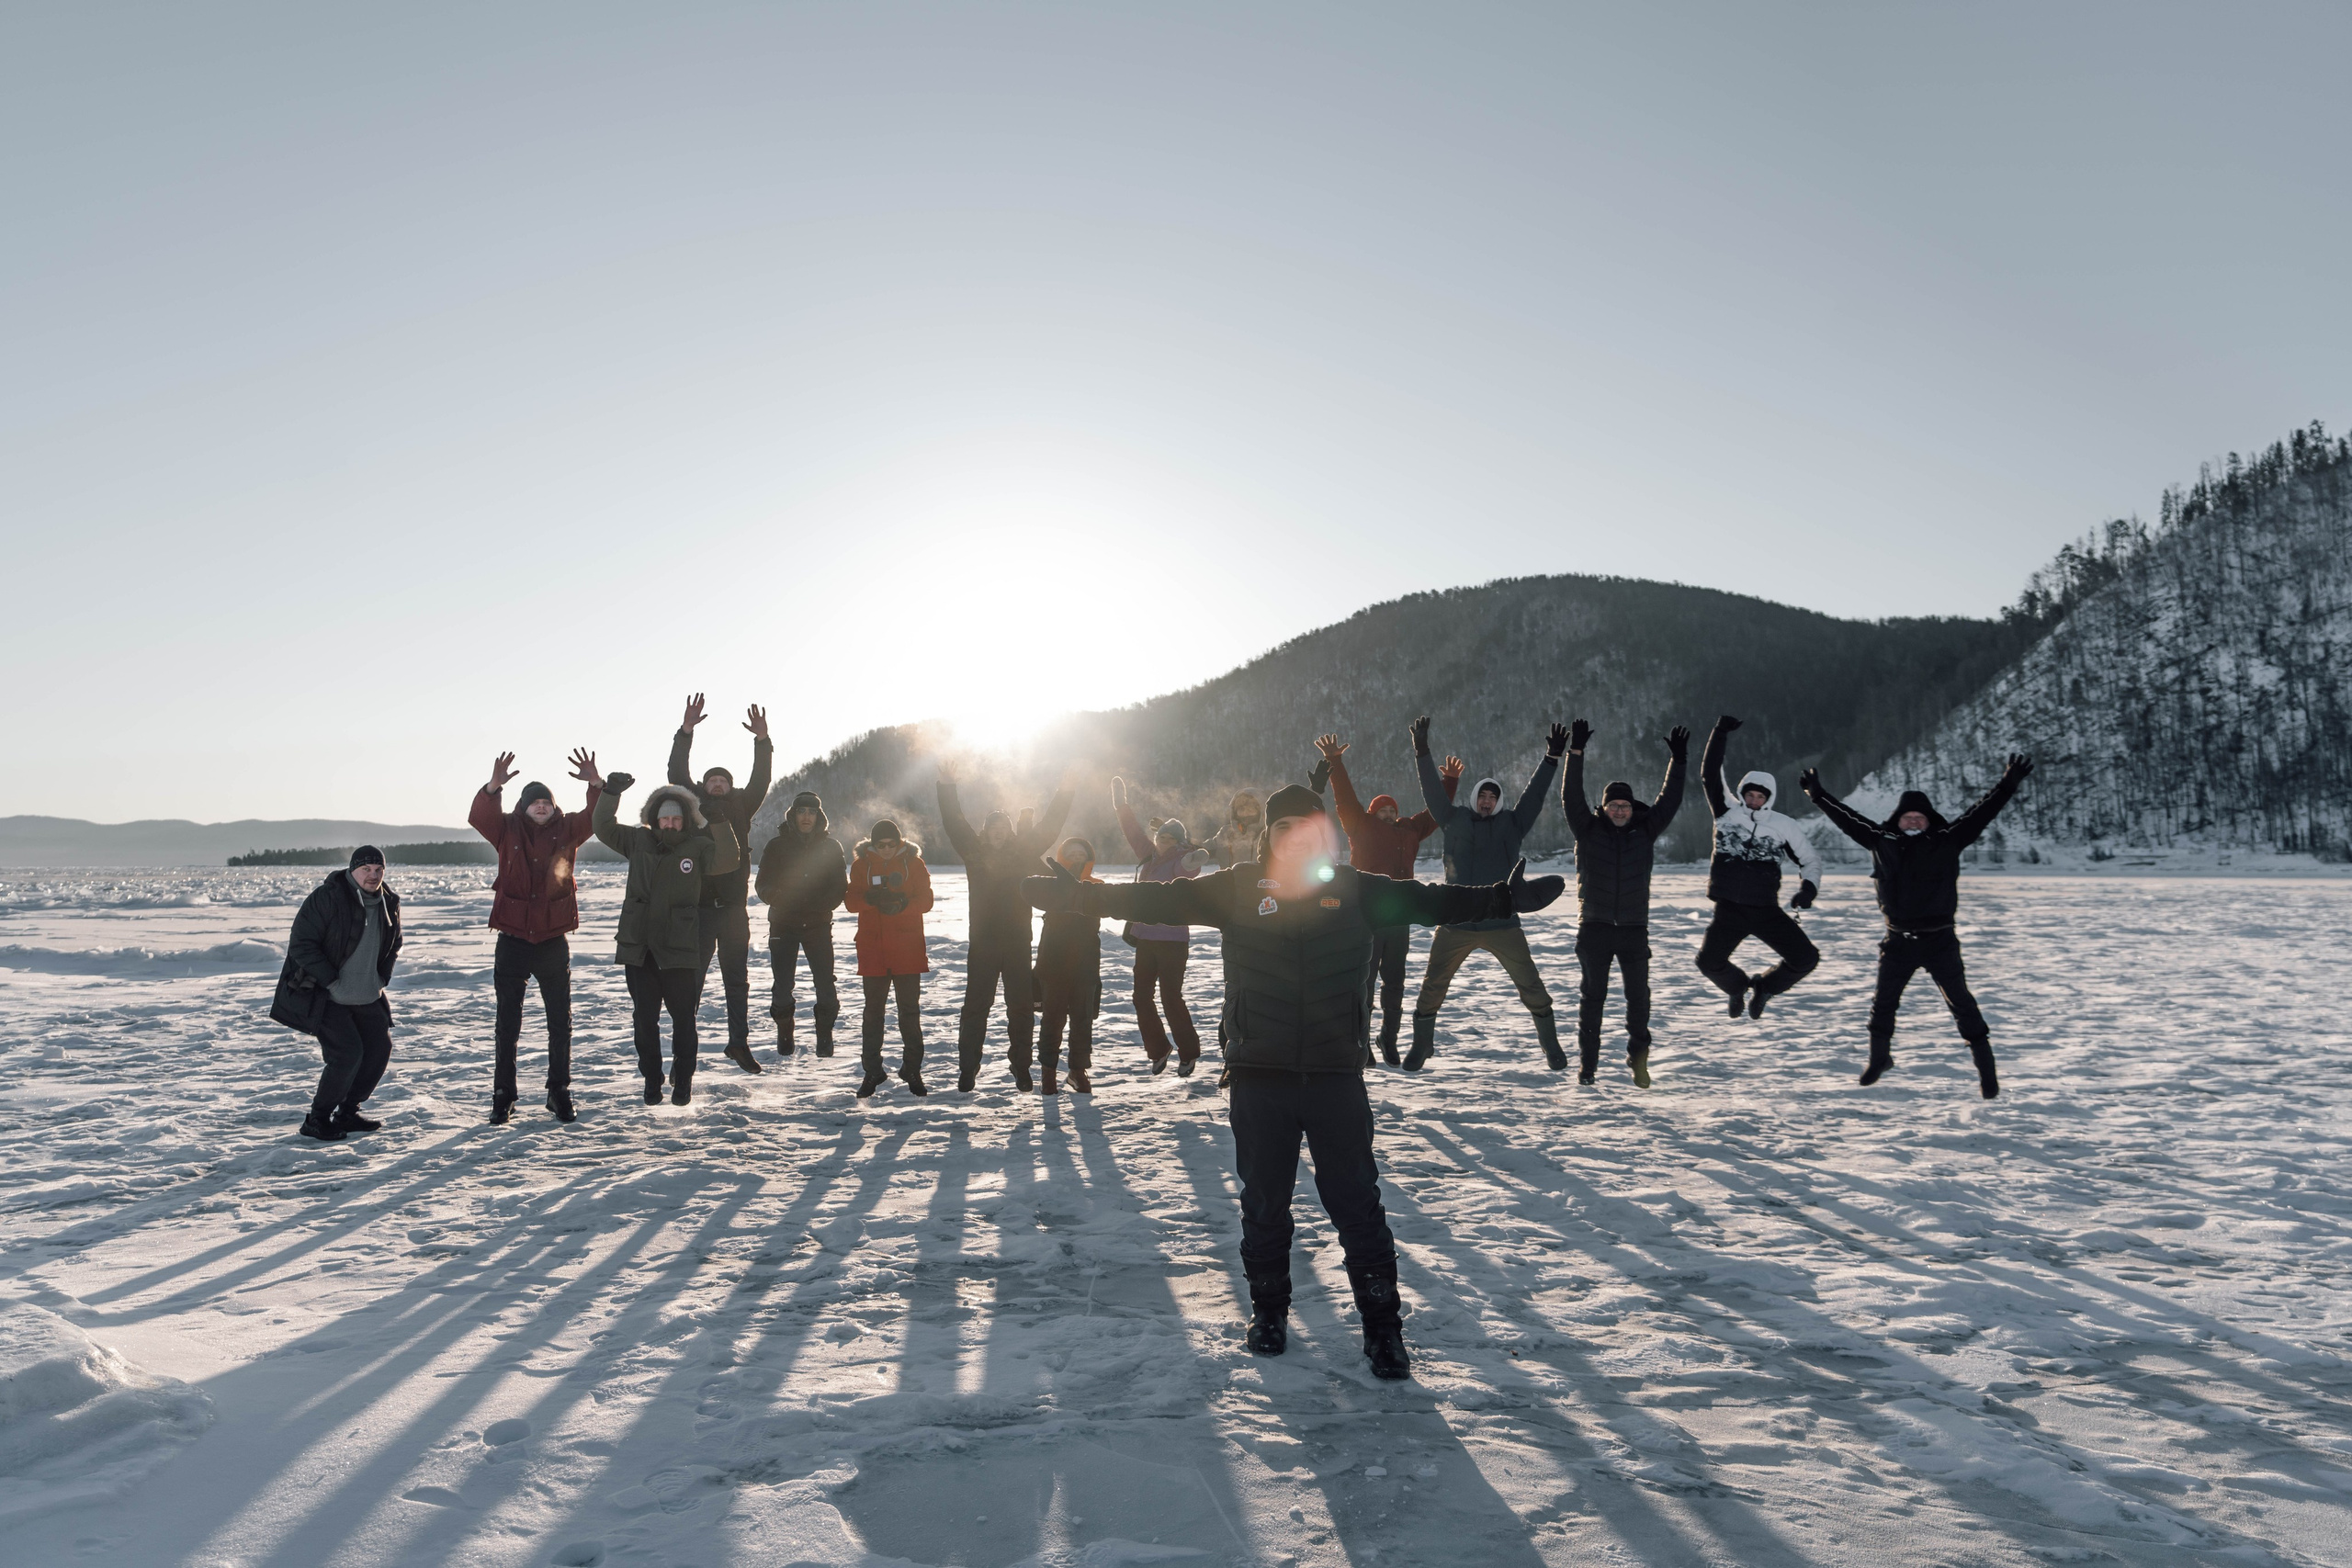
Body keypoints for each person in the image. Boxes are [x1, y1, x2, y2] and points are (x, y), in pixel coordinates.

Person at [1025, 783, 1566, 1380]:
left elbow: (1431, 901)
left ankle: (1383, 1329)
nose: (1294, 838)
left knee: (1357, 1206)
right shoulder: (1236, 887)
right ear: (1269, 835)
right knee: (1264, 1204)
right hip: (1260, 1074)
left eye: (1305, 827)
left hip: (1335, 1076)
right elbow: (1154, 899)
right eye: (1282, 827)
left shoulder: (1357, 889)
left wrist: (1501, 897)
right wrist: (1078, 896)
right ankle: (1269, 1313)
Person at [1801, 755, 2034, 1098]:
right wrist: (1818, 796)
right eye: (1907, 817)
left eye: (1919, 817)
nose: (1913, 821)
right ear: (1897, 819)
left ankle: (1987, 1071)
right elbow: (1846, 818)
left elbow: (1982, 812)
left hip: (1940, 941)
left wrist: (2007, 785)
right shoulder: (1880, 839)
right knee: (1883, 1003)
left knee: (1962, 1004)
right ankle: (1879, 1058)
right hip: (1897, 941)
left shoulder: (1948, 839)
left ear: (1929, 820)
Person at [1404, 715, 1568, 1072]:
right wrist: (1422, 751)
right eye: (1482, 795)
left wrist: (1551, 759)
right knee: (1433, 985)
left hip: (1501, 922)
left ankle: (1550, 1043)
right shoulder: (1454, 819)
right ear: (1474, 798)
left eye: (1493, 797)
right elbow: (1432, 791)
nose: (1487, 801)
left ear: (1499, 801)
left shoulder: (1513, 824)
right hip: (1456, 920)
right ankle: (1421, 1044)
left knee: (1530, 983)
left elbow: (1535, 795)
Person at [468, 747, 605, 1123]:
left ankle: (558, 1091)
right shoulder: (506, 829)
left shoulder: (568, 828)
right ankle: (503, 1095)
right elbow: (480, 816)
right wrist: (493, 787)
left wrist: (596, 784)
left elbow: (598, 817)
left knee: (560, 1021)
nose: (541, 806)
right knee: (507, 1023)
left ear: (553, 807)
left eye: (546, 802)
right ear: (523, 807)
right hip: (512, 938)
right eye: (534, 802)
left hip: (552, 939)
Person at [594, 773, 737, 1107]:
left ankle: (683, 1080)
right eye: (664, 819)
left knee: (684, 1019)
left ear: (685, 820)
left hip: (680, 948)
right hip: (640, 947)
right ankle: (651, 1078)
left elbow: (729, 859)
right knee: (645, 1019)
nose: (670, 824)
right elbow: (603, 827)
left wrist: (719, 822)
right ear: (654, 819)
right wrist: (610, 793)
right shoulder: (637, 840)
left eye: (676, 819)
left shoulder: (698, 847)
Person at [1560, 720, 1689, 1087]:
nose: (1619, 811)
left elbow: (1670, 800)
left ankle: (1639, 1059)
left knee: (1639, 1001)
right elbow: (1571, 796)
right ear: (1604, 808)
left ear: (1633, 808)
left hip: (1633, 929)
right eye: (1614, 805)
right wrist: (1575, 752)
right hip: (1595, 928)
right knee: (1592, 1000)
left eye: (1625, 806)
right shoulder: (1587, 830)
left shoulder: (1645, 831)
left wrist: (1678, 761)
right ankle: (1588, 1066)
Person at [1317, 735, 1459, 1063]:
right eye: (1382, 810)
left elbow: (1436, 813)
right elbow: (1344, 798)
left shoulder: (1410, 829)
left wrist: (1449, 782)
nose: (1388, 813)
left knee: (1395, 981)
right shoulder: (1359, 825)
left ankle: (1388, 1038)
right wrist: (1335, 761)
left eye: (1392, 810)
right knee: (1364, 981)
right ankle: (1361, 1041)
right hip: (1366, 915)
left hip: (1399, 917)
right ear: (1372, 812)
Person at [936, 764, 1073, 1091]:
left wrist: (1066, 791)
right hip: (982, 945)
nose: (998, 832)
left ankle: (1021, 1068)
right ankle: (968, 1069)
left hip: (1017, 943)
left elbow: (1050, 826)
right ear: (985, 832)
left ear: (1010, 832)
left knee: (1021, 1009)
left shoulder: (1022, 853)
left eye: (1004, 827)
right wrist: (947, 785)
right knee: (975, 1008)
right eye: (993, 827)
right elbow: (955, 822)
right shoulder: (974, 853)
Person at [668, 694, 774, 1076]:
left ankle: (738, 1043)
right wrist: (686, 731)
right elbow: (677, 773)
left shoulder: (743, 805)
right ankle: (683, 1056)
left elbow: (761, 778)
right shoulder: (692, 804)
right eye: (711, 780)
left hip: (732, 910)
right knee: (691, 985)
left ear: (730, 786)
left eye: (722, 780)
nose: (717, 784)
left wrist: (762, 740)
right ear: (703, 785)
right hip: (697, 911)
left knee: (737, 982)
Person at [270, 846, 404, 1142]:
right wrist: (331, 981)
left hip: (367, 994)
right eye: (366, 869)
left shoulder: (389, 901)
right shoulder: (328, 897)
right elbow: (302, 944)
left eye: (379, 869)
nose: (373, 875)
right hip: (328, 996)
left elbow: (395, 943)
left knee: (378, 1050)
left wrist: (381, 978)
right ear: (352, 870)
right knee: (347, 1054)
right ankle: (317, 1119)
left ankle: (347, 1112)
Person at [1695, 716, 1823, 1019]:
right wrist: (1719, 733)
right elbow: (1710, 774)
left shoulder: (1783, 825)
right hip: (1729, 910)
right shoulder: (1726, 812)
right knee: (1708, 963)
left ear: (1769, 798)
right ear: (1742, 794)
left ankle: (1765, 987)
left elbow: (1810, 860)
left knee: (1805, 958)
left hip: (1766, 910)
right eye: (1750, 795)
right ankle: (1738, 986)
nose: (1754, 801)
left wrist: (1808, 889)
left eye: (1760, 796)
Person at [1111, 776, 1215, 1075]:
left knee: (1171, 998)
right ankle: (1158, 1049)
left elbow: (1189, 867)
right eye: (1161, 837)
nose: (1162, 841)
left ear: (1179, 842)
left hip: (1172, 941)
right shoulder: (1150, 856)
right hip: (1145, 939)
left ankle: (1188, 1052)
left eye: (1169, 838)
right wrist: (1121, 806)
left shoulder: (1179, 860)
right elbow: (1133, 833)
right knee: (1140, 997)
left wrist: (1196, 857)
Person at [845, 818, 934, 1098]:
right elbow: (850, 902)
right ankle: (872, 1071)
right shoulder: (861, 866)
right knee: (873, 1014)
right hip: (873, 951)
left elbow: (927, 900)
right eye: (880, 844)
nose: (885, 849)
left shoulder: (914, 864)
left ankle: (912, 1069)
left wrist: (903, 905)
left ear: (899, 842)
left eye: (891, 844)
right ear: (872, 844)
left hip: (907, 950)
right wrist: (869, 900)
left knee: (910, 1013)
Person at [755, 790, 847, 1059]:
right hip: (783, 924)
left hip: (818, 924)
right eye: (801, 811)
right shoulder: (776, 845)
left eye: (812, 812)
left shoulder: (831, 847)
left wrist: (822, 904)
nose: (806, 817)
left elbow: (840, 886)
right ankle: (785, 1030)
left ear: (819, 816)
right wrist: (778, 898)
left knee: (826, 984)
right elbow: (762, 884)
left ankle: (824, 1033)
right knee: (782, 985)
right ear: (792, 815)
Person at [1031, 836, 1105, 1094]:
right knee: (1052, 1019)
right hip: (1054, 963)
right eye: (1071, 854)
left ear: (1089, 858)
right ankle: (1048, 1072)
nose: (1076, 858)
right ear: (1062, 858)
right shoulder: (1049, 886)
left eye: (1081, 854)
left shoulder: (1097, 886)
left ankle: (1077, 1070)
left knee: (1083, 1019)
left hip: (1085, 963)